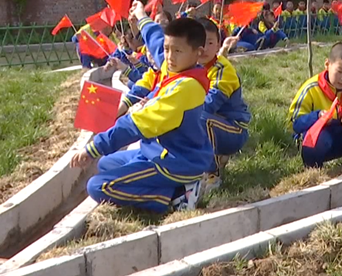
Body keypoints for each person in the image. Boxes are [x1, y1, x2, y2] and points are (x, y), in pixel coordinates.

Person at [71, 17, 212, 212]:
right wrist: (142, 17)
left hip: (177, 161)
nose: (170, 57)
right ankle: (167, 187)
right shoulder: (176, 70)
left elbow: (136, 124)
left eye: (177, 51)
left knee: (97, 186)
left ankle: (169, 197)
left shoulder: (186, 86)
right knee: (105, 164)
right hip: (155, 150)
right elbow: (155, 41)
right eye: (167, 49)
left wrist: (94, 147)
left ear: (198, 53)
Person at [195, 18, 251, 192]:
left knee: (200, 118)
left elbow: (209, 103)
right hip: (215, 125)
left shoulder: (223, 70)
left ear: (218, 43)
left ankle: (212, 174)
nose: (204, 48)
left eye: (210, 42)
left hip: (233, 128)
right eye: (199, 43)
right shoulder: (192, 68)